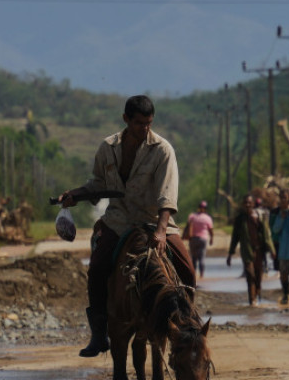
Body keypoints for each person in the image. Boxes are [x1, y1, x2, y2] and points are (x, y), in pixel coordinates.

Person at [58, 95, 196, 357]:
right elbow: (98, 184)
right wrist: (76, 195)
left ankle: (187, 329)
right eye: (139, 123)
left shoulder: (163, 149)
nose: (145, 129)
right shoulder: (107, 147)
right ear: (126, 119)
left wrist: (160, 231)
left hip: (155, 220)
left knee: (187, 270)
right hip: (119, 220)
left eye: (149, 123)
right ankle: (99, 333)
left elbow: (167, 194)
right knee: (97, 268)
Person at [227, 193, 275, 306]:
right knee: (250, 275)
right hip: (246, 251)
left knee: (258, 275)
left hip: (259, 251)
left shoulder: (259, 217)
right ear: (243, 204)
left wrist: (272, 250)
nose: (248, 205)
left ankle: (257, 293)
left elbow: (267, 236)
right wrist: (230, 254)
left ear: (253, 204)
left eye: (250, 203)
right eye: (246, 203)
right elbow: (235, 238)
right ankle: (252, 300)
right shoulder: (240, 220)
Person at [183, 200, 214, 279]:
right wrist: (211, 239)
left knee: (193, 258)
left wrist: (184, 236)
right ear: (206, 208)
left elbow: (187, 227)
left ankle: (193, 276)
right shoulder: (207, 218)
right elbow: (210, 230)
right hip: (203, 239)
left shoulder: (192, 216)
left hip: (193, 239)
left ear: (199, 207)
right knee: (202, 258)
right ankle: (201, 276)